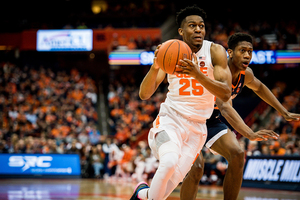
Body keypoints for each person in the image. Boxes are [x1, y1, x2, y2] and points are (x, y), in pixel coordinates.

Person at [180, 32, 300, 200]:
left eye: (249, 51)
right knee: (197, 168)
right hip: (189, 120)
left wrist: (283, 111)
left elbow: (260, 88)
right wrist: (249, 133)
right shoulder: (217, 71)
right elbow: (225, 108)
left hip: (211, 120)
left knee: (237, 154)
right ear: (229, 53)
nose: (247, 55)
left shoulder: (246, 74)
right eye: (242, 50)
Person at [130, 5, 232, 200]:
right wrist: (154, 66)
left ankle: (141, 194)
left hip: (198, 129)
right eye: (192, 25)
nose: (198, 30)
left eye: (201, 26)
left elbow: (226, 93)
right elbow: (144, 94)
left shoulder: (215, 51)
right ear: (181, 31)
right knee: (168, 163)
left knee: (167, 185)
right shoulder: (170, 51)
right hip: (171, 120)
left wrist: (197, 74)